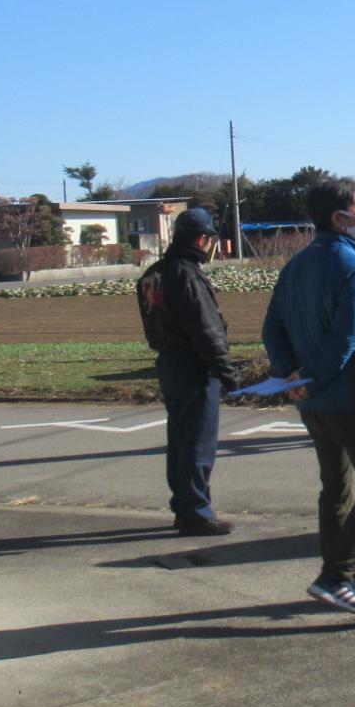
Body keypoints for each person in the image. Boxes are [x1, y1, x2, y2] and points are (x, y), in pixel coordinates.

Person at [262, 178, 355, 617]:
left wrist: (292, 377)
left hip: (312, 400)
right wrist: (314, 376)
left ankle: (342, 573)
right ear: (340, 217)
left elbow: (273, 329)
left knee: (336, 487)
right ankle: (338, 575)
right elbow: (348, 333)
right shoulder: (354, 265)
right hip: (351, 391)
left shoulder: (296, 265)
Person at [137, 206, 236, 536]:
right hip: (195, 367)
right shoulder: (188, 274)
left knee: (180, 440)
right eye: (209, 238)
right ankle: (196, 511)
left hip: (169, 363)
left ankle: (184, 506)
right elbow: (207, 329)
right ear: (201, 239)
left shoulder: (156, 272)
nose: (209, 245)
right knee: (198, 442)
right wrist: (227, 373)